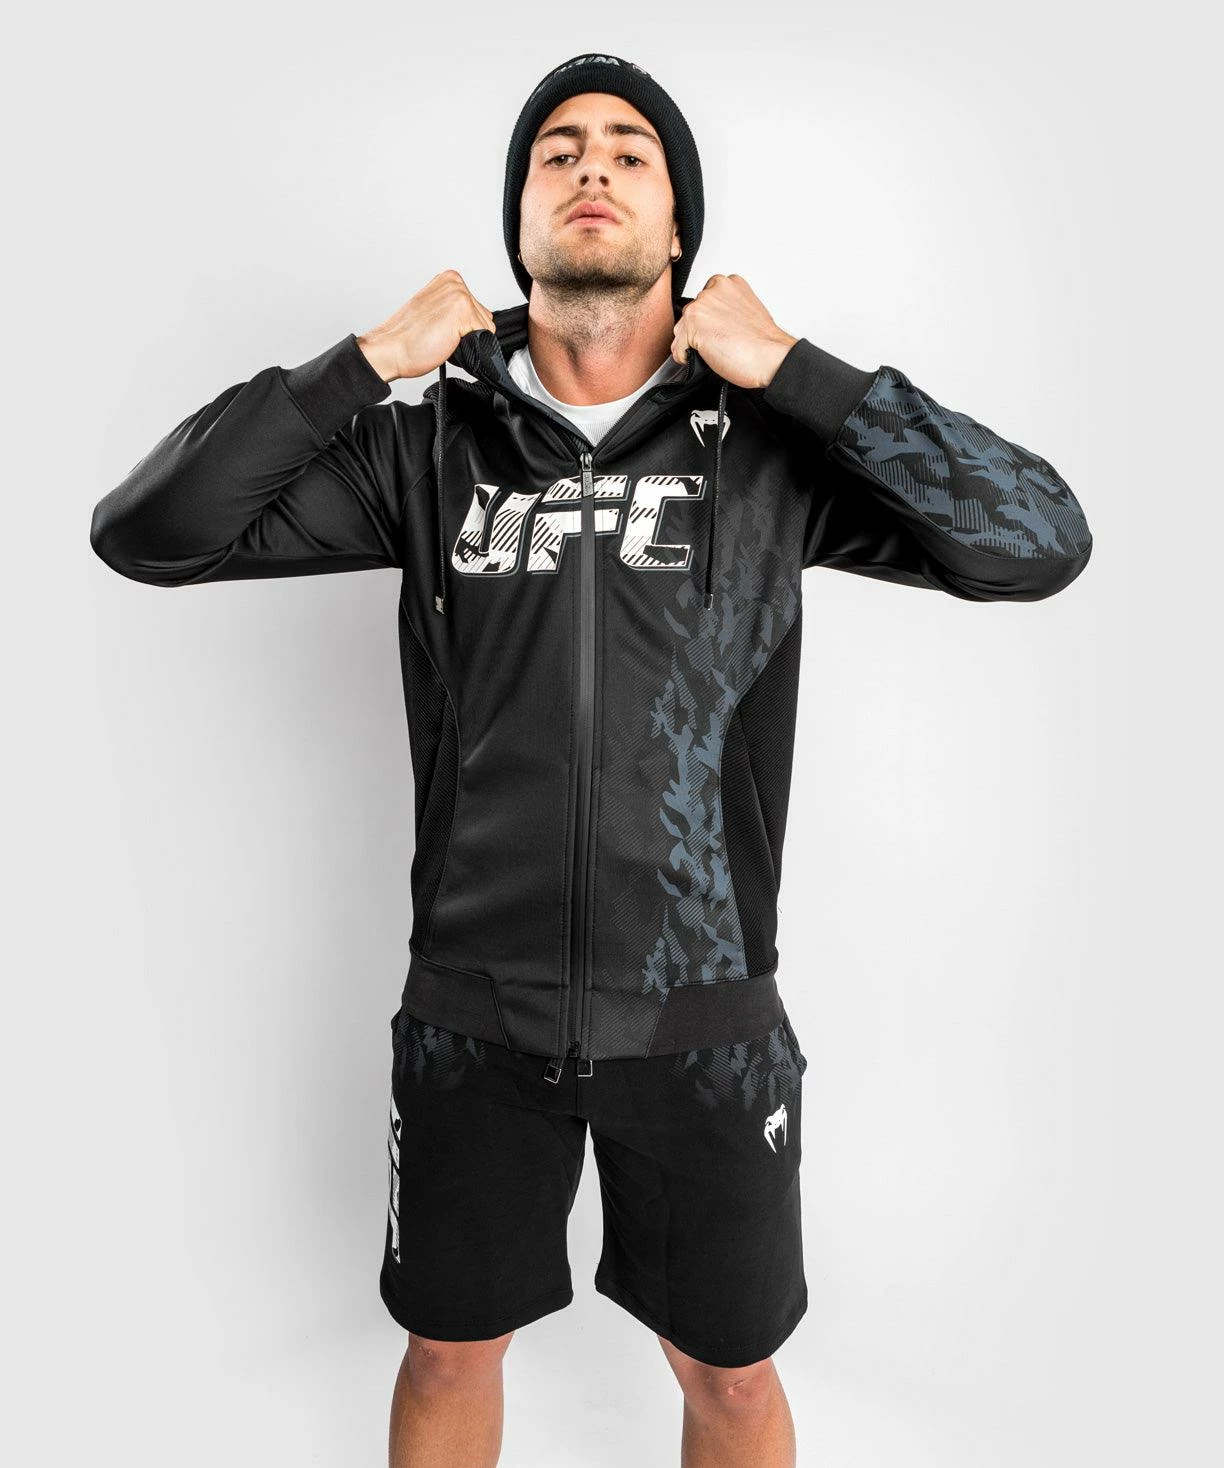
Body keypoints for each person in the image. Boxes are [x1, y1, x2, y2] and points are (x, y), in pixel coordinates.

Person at [89, 50, 1093, 1468]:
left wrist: (801, 374)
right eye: (558, 153)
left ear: (679, 226)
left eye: (631, 152)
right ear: (521, 223)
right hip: (472, 1014)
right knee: (448, 1351)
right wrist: (361, 365)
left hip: (706, 1026)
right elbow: (148, 532)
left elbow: (1039, 540)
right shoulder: (426, 451)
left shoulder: (771, 450)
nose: (592, 170)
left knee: (732, 1380)